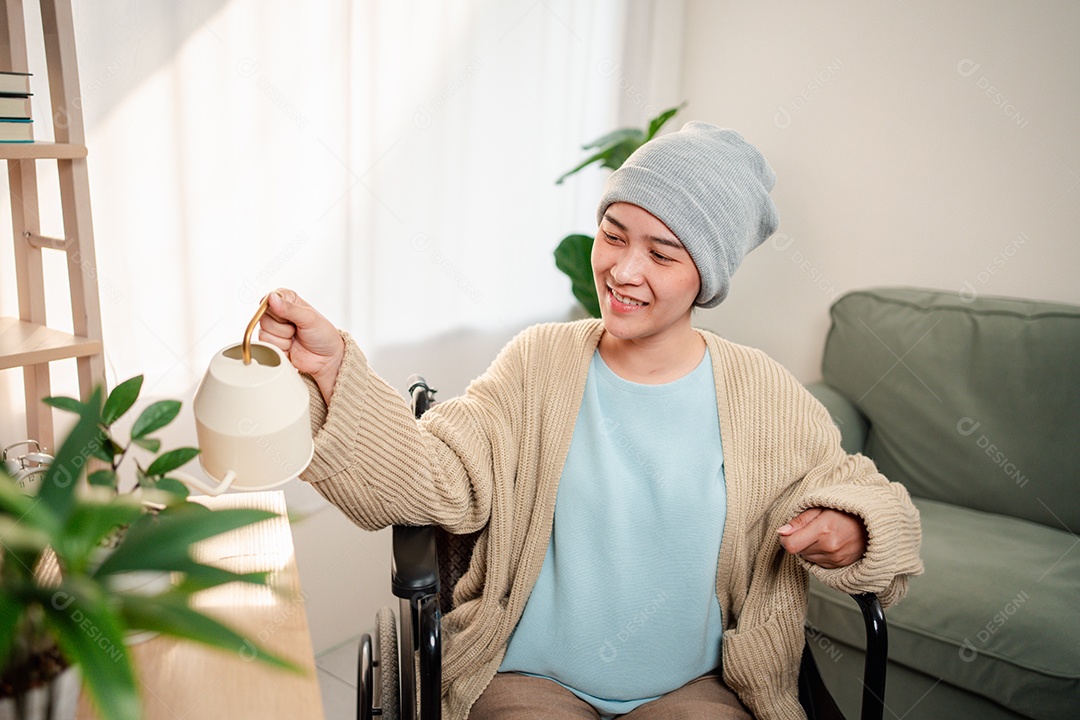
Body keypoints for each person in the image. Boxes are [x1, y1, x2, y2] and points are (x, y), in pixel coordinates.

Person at [259, 122, 923, 720]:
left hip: (695, 689)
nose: (623, 270)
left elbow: (870, 495)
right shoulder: (538, 363)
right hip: (526, 679)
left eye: (662, 254)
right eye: (613, 236)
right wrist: (335, 372)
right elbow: (435, 474)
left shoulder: (763, 395)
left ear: (707, 275)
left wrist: (851, 528)